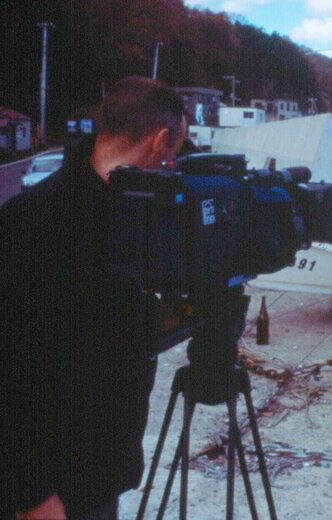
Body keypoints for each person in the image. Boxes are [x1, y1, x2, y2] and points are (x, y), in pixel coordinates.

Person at [1, 77, 187, 519]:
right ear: (160, 140)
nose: (171, 167)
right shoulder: (35, 223)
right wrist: (31, 494)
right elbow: (10, 369)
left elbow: (106, 329)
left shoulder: (125, 217)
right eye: (172, 156)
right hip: (52, 491)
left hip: (99, 473)